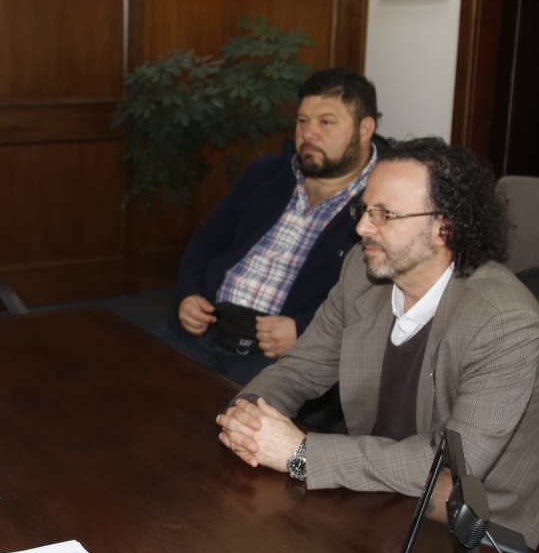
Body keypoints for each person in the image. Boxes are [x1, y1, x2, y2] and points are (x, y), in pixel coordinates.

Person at [215, 137, 539, 553]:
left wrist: (301, 453)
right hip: (393, 509)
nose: (363, 228)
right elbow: (303, 365)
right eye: (364, 209)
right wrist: (249, 415)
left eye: (385, 215)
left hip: (517, 547)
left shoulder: (504, 320)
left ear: (444, 227)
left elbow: (451, 463)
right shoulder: (362, 272)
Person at [159, 67, 381, 384]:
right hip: (207, 326)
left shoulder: (384, 200)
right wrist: (189, 294)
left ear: (365, 128)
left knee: (217, 411)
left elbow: (382, 297)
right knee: (131, 380)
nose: (309, 133)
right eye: (302, 121)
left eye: (326, 122)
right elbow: (207, 241)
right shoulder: (266, 174)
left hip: (281, 355)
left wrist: (305, 330)